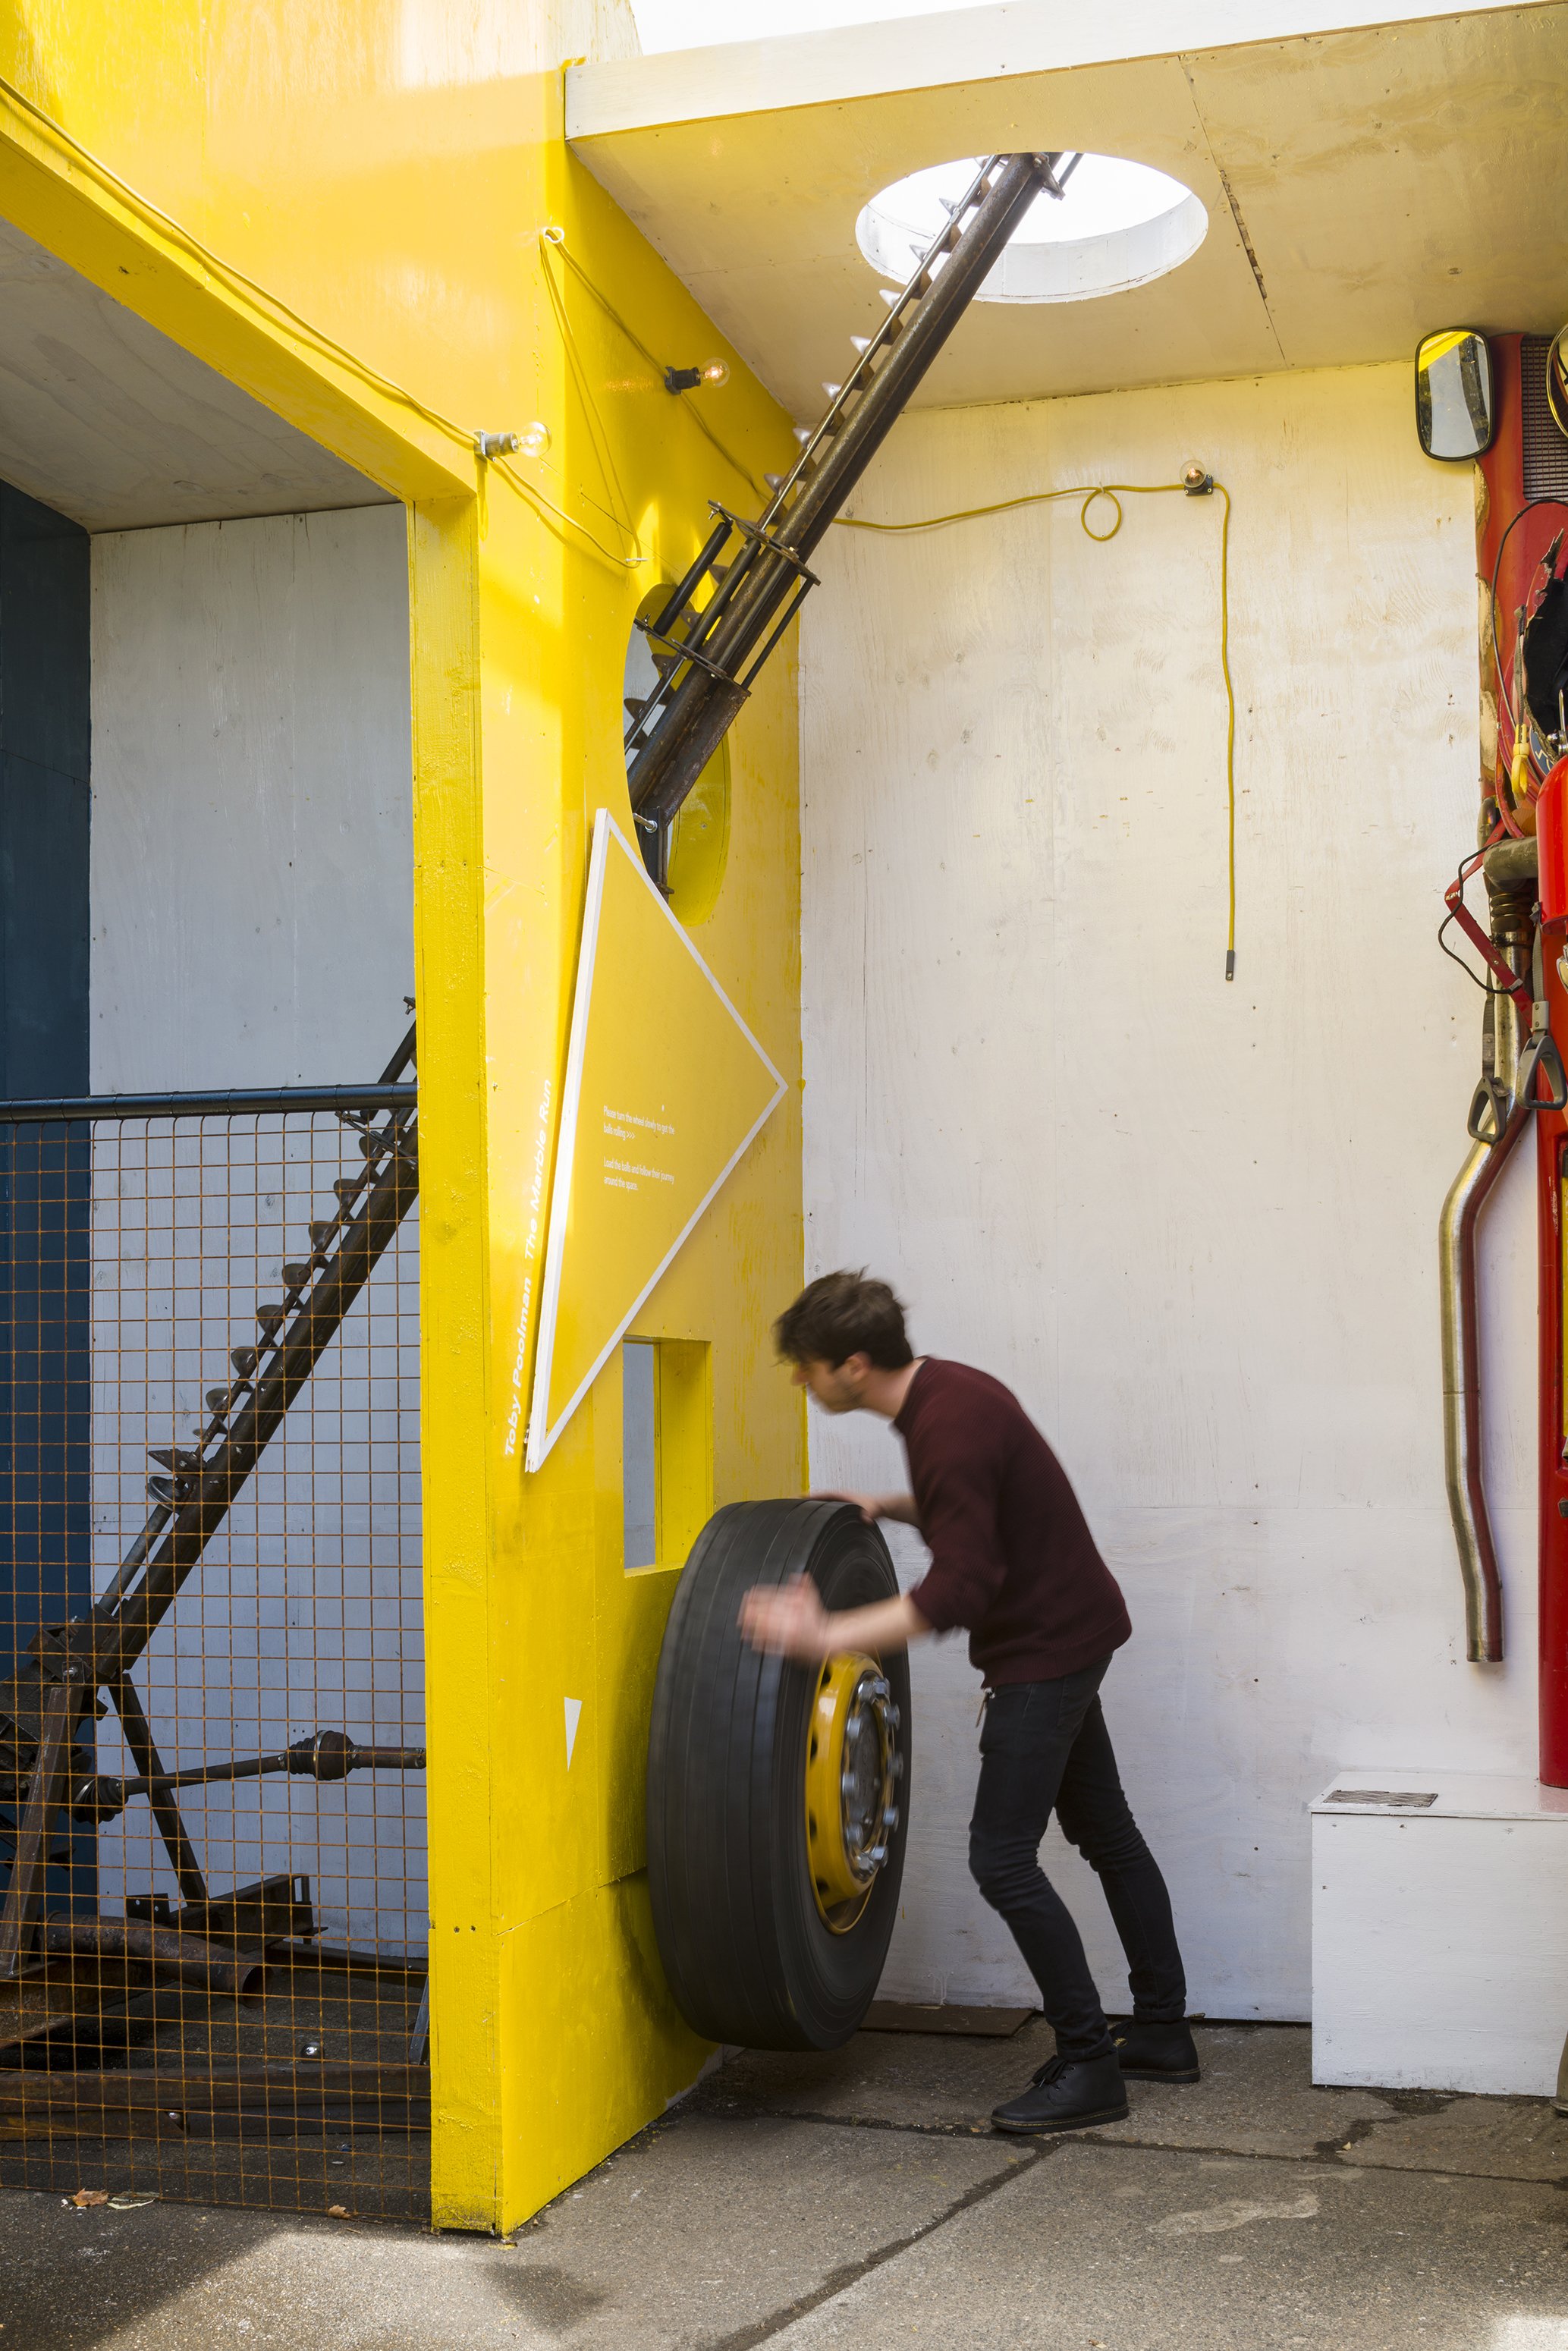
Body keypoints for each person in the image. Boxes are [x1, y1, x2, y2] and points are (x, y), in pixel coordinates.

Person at [739, 1268, 1196, 2135]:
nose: (799, 1379)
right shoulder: (947, 1392)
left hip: (1044, 1656)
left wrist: (820, 1634)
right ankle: (1164, 2031)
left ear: (853, 1365)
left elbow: (956, 1592)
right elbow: (975, 1508)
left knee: (1002, 1861)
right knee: (1107, 1833)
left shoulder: (944, 1425)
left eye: (807, 1365)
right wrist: (888, 1503)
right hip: (1074, 1631)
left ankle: (1091, 2066)